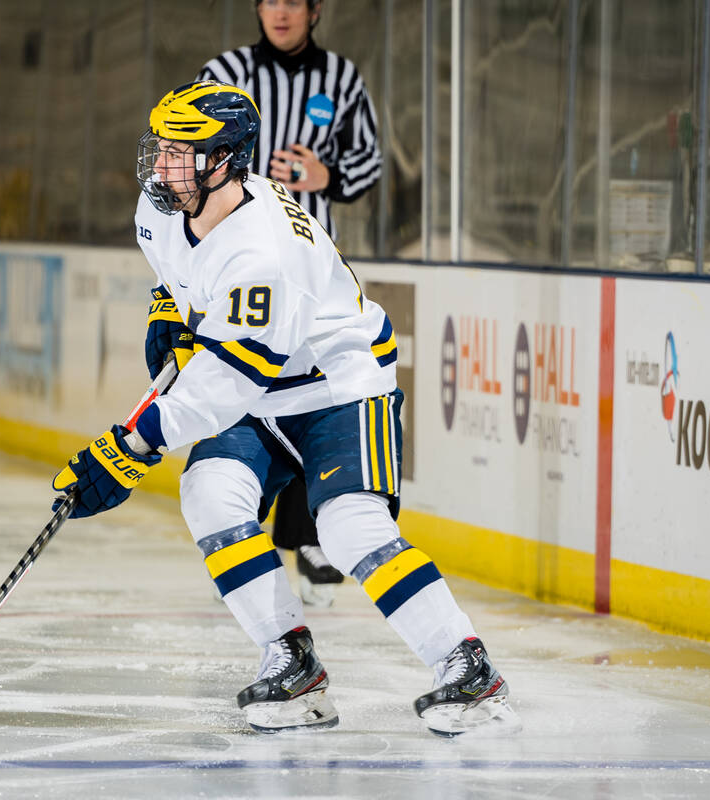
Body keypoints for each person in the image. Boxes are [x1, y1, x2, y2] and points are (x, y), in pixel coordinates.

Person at [51, 81, 519, 737]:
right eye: (158, 148)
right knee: (211, 495)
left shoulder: (264, 253)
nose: (161, 167)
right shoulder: (163, 204)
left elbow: (224, 385)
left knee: (350, 527)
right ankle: (291, 660)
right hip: (263, 383)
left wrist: (134, 445)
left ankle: (468, 669)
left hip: (339, 386)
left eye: (179, 154)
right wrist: (167, 307)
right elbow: (176, 272)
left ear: (224, 161)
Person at [197, 0, 383, 605]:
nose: (279, 11)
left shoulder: (343, 80)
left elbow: (370, 163)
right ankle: (239, 528)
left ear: (314, 10)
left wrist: (325, 176)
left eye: (292, 1)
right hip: (234, 273)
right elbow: (187, 162)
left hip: (308, 278)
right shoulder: (222, 71)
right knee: (237, 390)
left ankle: (304, 533)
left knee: (312, 392)